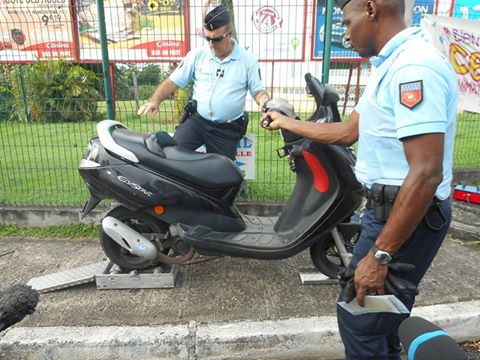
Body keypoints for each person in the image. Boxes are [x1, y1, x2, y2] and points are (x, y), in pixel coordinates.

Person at [261, 0, 458, 358]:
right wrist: (287, 122)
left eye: (345, 18)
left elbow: (426, 172)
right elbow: (350, 131)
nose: (344, 31)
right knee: (379, 319)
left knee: (361, 322)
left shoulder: (414, 68)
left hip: (406, 214)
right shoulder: (390, 65)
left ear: (370, 9)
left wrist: (379, 256)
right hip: (389, 210)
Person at [138, 5, 270, 160]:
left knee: (222, 174)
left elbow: (258, 91)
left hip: (226, 129)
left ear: (230, 34)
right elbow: (173, 81)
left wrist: (264, 101)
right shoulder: (198, 55)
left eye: (217, 39)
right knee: (171, 158)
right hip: (197, 122)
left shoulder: (248, 60)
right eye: (207, 38)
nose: (211, 44)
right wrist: (155, 100)